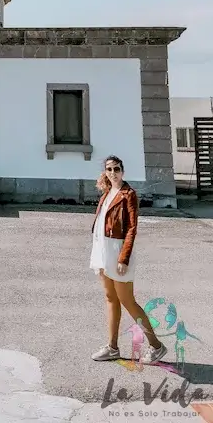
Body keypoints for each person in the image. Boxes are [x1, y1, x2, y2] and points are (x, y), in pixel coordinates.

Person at [90, 155, 167, 364]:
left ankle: (156, 346)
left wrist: (123, 258)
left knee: (127, 301)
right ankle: (112, 347)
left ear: (122, 171)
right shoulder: (107, 192)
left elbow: (132, 228)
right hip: (103, 251)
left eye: (116, 169)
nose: (113, 173)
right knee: (111, 298)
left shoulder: (128, 194)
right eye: (109, 169)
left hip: (118, 252)